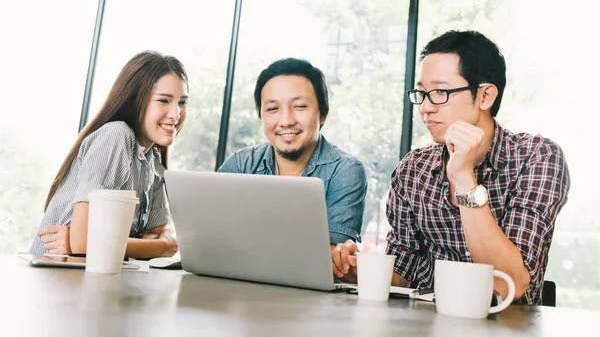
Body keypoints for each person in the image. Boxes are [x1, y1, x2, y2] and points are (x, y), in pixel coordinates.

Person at [331, 30, 570, 304]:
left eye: (440, 92)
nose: (425, 108)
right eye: (421, 93)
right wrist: (357, 271)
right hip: (422, 326)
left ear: (485, 96)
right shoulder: (412, 169)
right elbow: (403, 272)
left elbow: (509, 285)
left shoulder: (536, 157)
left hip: (505, 327)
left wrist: (462, 176)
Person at [29, 50, 189, 259]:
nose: (176, 114)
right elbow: (84, 242)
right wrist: (160, 246)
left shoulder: (153, 161)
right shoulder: (116, 136)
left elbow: (160, 234)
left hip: (96, 279)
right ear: (135, 100)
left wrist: (105, 242)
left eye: (182, 102)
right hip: (55, 280)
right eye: (164, 100)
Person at [218, 58, 367, 277]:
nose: (286, 120)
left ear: (323, 114)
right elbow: (211, 237)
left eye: (299, 107)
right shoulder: (241, 163)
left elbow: (332, 260)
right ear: (261, 116)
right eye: (272, 109)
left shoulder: (345, 170)